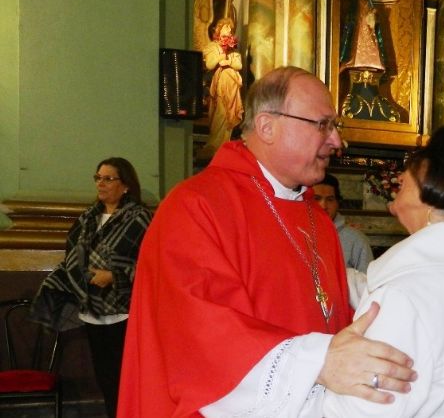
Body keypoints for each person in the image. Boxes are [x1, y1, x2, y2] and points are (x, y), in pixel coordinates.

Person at [118, 66, 417, 417]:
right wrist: (319, 362)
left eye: (335, 127)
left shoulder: (316, 219)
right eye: (322, 125)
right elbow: (196, 337)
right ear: (267, 126)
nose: (337, 141)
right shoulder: (196, 206)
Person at [319, 125, 444, 417]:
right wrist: (322, 266)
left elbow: (357, 411)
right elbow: (392, 298)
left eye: (423, 157)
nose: (405, 170)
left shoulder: (407, 297)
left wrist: (316, 366)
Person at [30, 157, 152, 418]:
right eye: (98, 178)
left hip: (124, 312)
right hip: (92, 310)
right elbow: (72, 254)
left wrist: (114, 276)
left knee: (126, 379)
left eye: (108, 178)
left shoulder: (140, 218)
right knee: (106, 380)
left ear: (126, 185)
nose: (101, 184)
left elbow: (153, 265)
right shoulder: (88, 217)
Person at [197, 17, 245, 160]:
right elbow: (210, 64)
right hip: (217, 89)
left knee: (229, 116)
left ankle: (224, 144)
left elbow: (239, 65)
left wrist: (228, 60)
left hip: (232, 90)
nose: (228, 31)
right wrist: (221, 55)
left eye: (230, 30)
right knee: (220, 114)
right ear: (219, 29)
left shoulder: (233, 50)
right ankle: (214, 144)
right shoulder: (212, 47)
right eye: (226, 28)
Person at [312, 173, 374, 274]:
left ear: (338, 203)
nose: (323, 206)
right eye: (316, 199)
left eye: (330, 199)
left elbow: (367, 283)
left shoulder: (356, 240)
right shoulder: (295, 234)